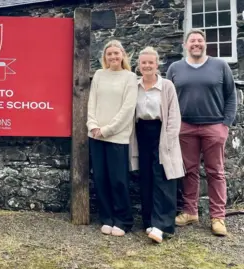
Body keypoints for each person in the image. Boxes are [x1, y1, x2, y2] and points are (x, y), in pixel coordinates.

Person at [167, 29, 237, 236]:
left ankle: (218, 217)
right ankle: (190, 211)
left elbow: (231, 96)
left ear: (205, 44)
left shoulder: (220, 66)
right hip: (185, 126)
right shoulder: (175, 68)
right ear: (185, 44)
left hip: (214, 126)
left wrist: (225, 124)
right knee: (189, 170)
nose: (196, 44)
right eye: (192, 41)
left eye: (199, 40)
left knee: (216, 172)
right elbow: (168, 98)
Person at [129, 47, 185, 243]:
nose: (147, 66)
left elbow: (174, 116)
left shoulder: (167, 86)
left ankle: (163, 225)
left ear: (157, 64)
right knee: (146, 178)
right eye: (143, 62)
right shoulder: (134, 86)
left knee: (163, 178)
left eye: (150, 62)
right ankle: (149, 222)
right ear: (138, 65)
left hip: (161, 134)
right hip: (141, 134)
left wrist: (168, 141)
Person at [87, 40, 137, 236]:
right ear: (105, 57)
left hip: (117, 137)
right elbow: (91, 102)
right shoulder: (99, 75)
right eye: (110, 54)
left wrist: (107, 129)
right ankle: (106, 217)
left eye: (117, 53)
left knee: (118, 180)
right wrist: (93, 126)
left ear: (123, 55)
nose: (113, 57)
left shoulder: (130, 77)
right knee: (100, 178)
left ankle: (123, 220)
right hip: (96, 135)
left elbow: (127, 109)